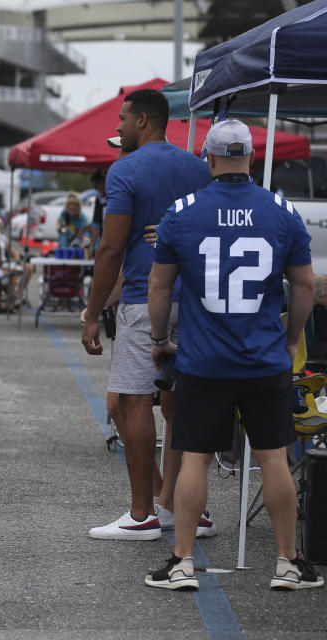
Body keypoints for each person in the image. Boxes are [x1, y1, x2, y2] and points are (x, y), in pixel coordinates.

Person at [145, 119, 322, 591]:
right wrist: (291, 338)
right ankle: (288, 563)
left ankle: (182, 562)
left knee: (195, 458)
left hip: (204, 360)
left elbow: (160, 286)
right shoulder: (282, 211)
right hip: (265, 359)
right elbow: (303, 285)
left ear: (208, 158)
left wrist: (160, 337)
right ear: (251, 157)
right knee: (274, 459)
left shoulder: (181, 213)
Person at [81, 88, 211, 541]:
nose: (116, 127)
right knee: (184, 402)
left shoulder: (125, 169)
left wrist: (93, 312)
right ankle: (187, 507)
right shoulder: (199, 167)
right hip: (195, 301)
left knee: (132, 400)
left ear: (142, 121)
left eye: (121, 119)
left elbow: (111, 247)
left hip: (145, 298)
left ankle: (142, 515)